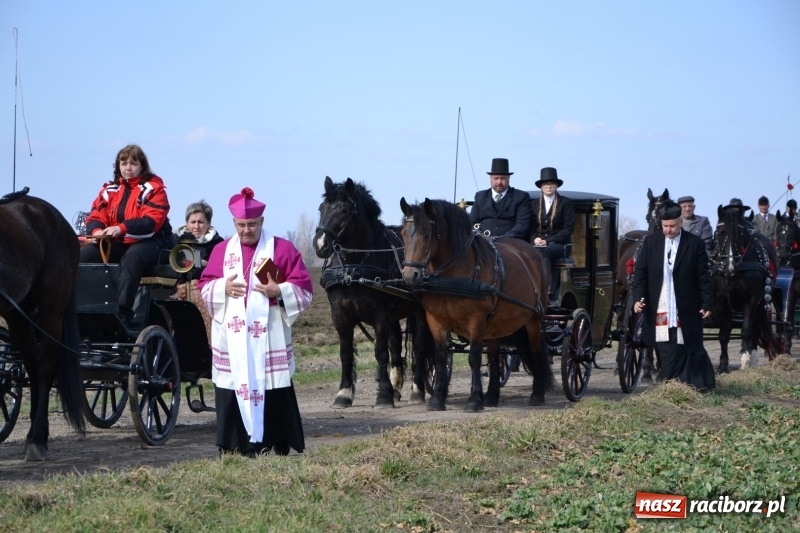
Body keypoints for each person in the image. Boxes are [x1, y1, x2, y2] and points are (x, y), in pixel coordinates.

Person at [199, 187, 313, 457]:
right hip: (233, 334)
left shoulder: (282, 249)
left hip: (268, 332)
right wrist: (221, 287)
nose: (246, 230)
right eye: (241, 225)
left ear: (262, 222)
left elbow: (305, 289)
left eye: (252, 224)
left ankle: (277, 442)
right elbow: (204, 285)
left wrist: (280, 291)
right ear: (234, 223)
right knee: (231, 384)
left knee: (273, 386)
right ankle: (233, 444)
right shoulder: (221, 251)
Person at [80, 144, 172, 326]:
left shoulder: (154, 189)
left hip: (153, 241)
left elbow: (151, 222)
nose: (128, 168)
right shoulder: (109, 190)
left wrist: (121, 228)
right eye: (123, 163)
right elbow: (96, 215)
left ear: (142, 167)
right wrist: (97, 231)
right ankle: (83, 308)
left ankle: (122, 313)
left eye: (133, 163)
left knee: (133, 257)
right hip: (119, 240)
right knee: (85, 255)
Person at [632, 200, 715, 391]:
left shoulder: (694, 244)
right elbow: (640, 273)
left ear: (680, 223)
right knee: (663, 343)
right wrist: (638, 298)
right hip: (659, 302)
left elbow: (703, 277)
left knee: (684, 342)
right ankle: (669, 381)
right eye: (665, 226)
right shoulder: (651, 243)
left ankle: (677, 383)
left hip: (684, 304)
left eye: (672, 226)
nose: (668, 230)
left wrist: (707, 303)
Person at [172, 200, 225, 342]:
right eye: (192, 222)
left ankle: (206, 344)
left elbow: (218, 270)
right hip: (175, 286)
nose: (196, 226)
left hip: (204, 286)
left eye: (201, 222)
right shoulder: (174, 241)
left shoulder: (218, 244)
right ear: (186, 222)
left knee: (198, 299)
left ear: (208, 223)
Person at [529, 167, 575, 307]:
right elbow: (530, 228)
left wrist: (547, 241)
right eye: (545, 184)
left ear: (556, 186)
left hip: (560, 245)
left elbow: (568, 229)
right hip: (538, 243)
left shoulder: (566, 203)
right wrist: (534, 239)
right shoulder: (535, 204)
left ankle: (546, 288)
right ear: (541, 187)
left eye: (551, 184)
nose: (548, 186)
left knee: (545, 251)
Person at [468, 158, 531, 240]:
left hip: (511, 243)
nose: (499, 182)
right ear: (490, 178)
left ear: (509, 178)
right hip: (483, 242)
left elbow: (522, 224)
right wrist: (481, 237)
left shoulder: (521, 196)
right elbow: (472, 222)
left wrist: (505, 238)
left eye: (503, 178)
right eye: (496, 178)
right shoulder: (480, 196)